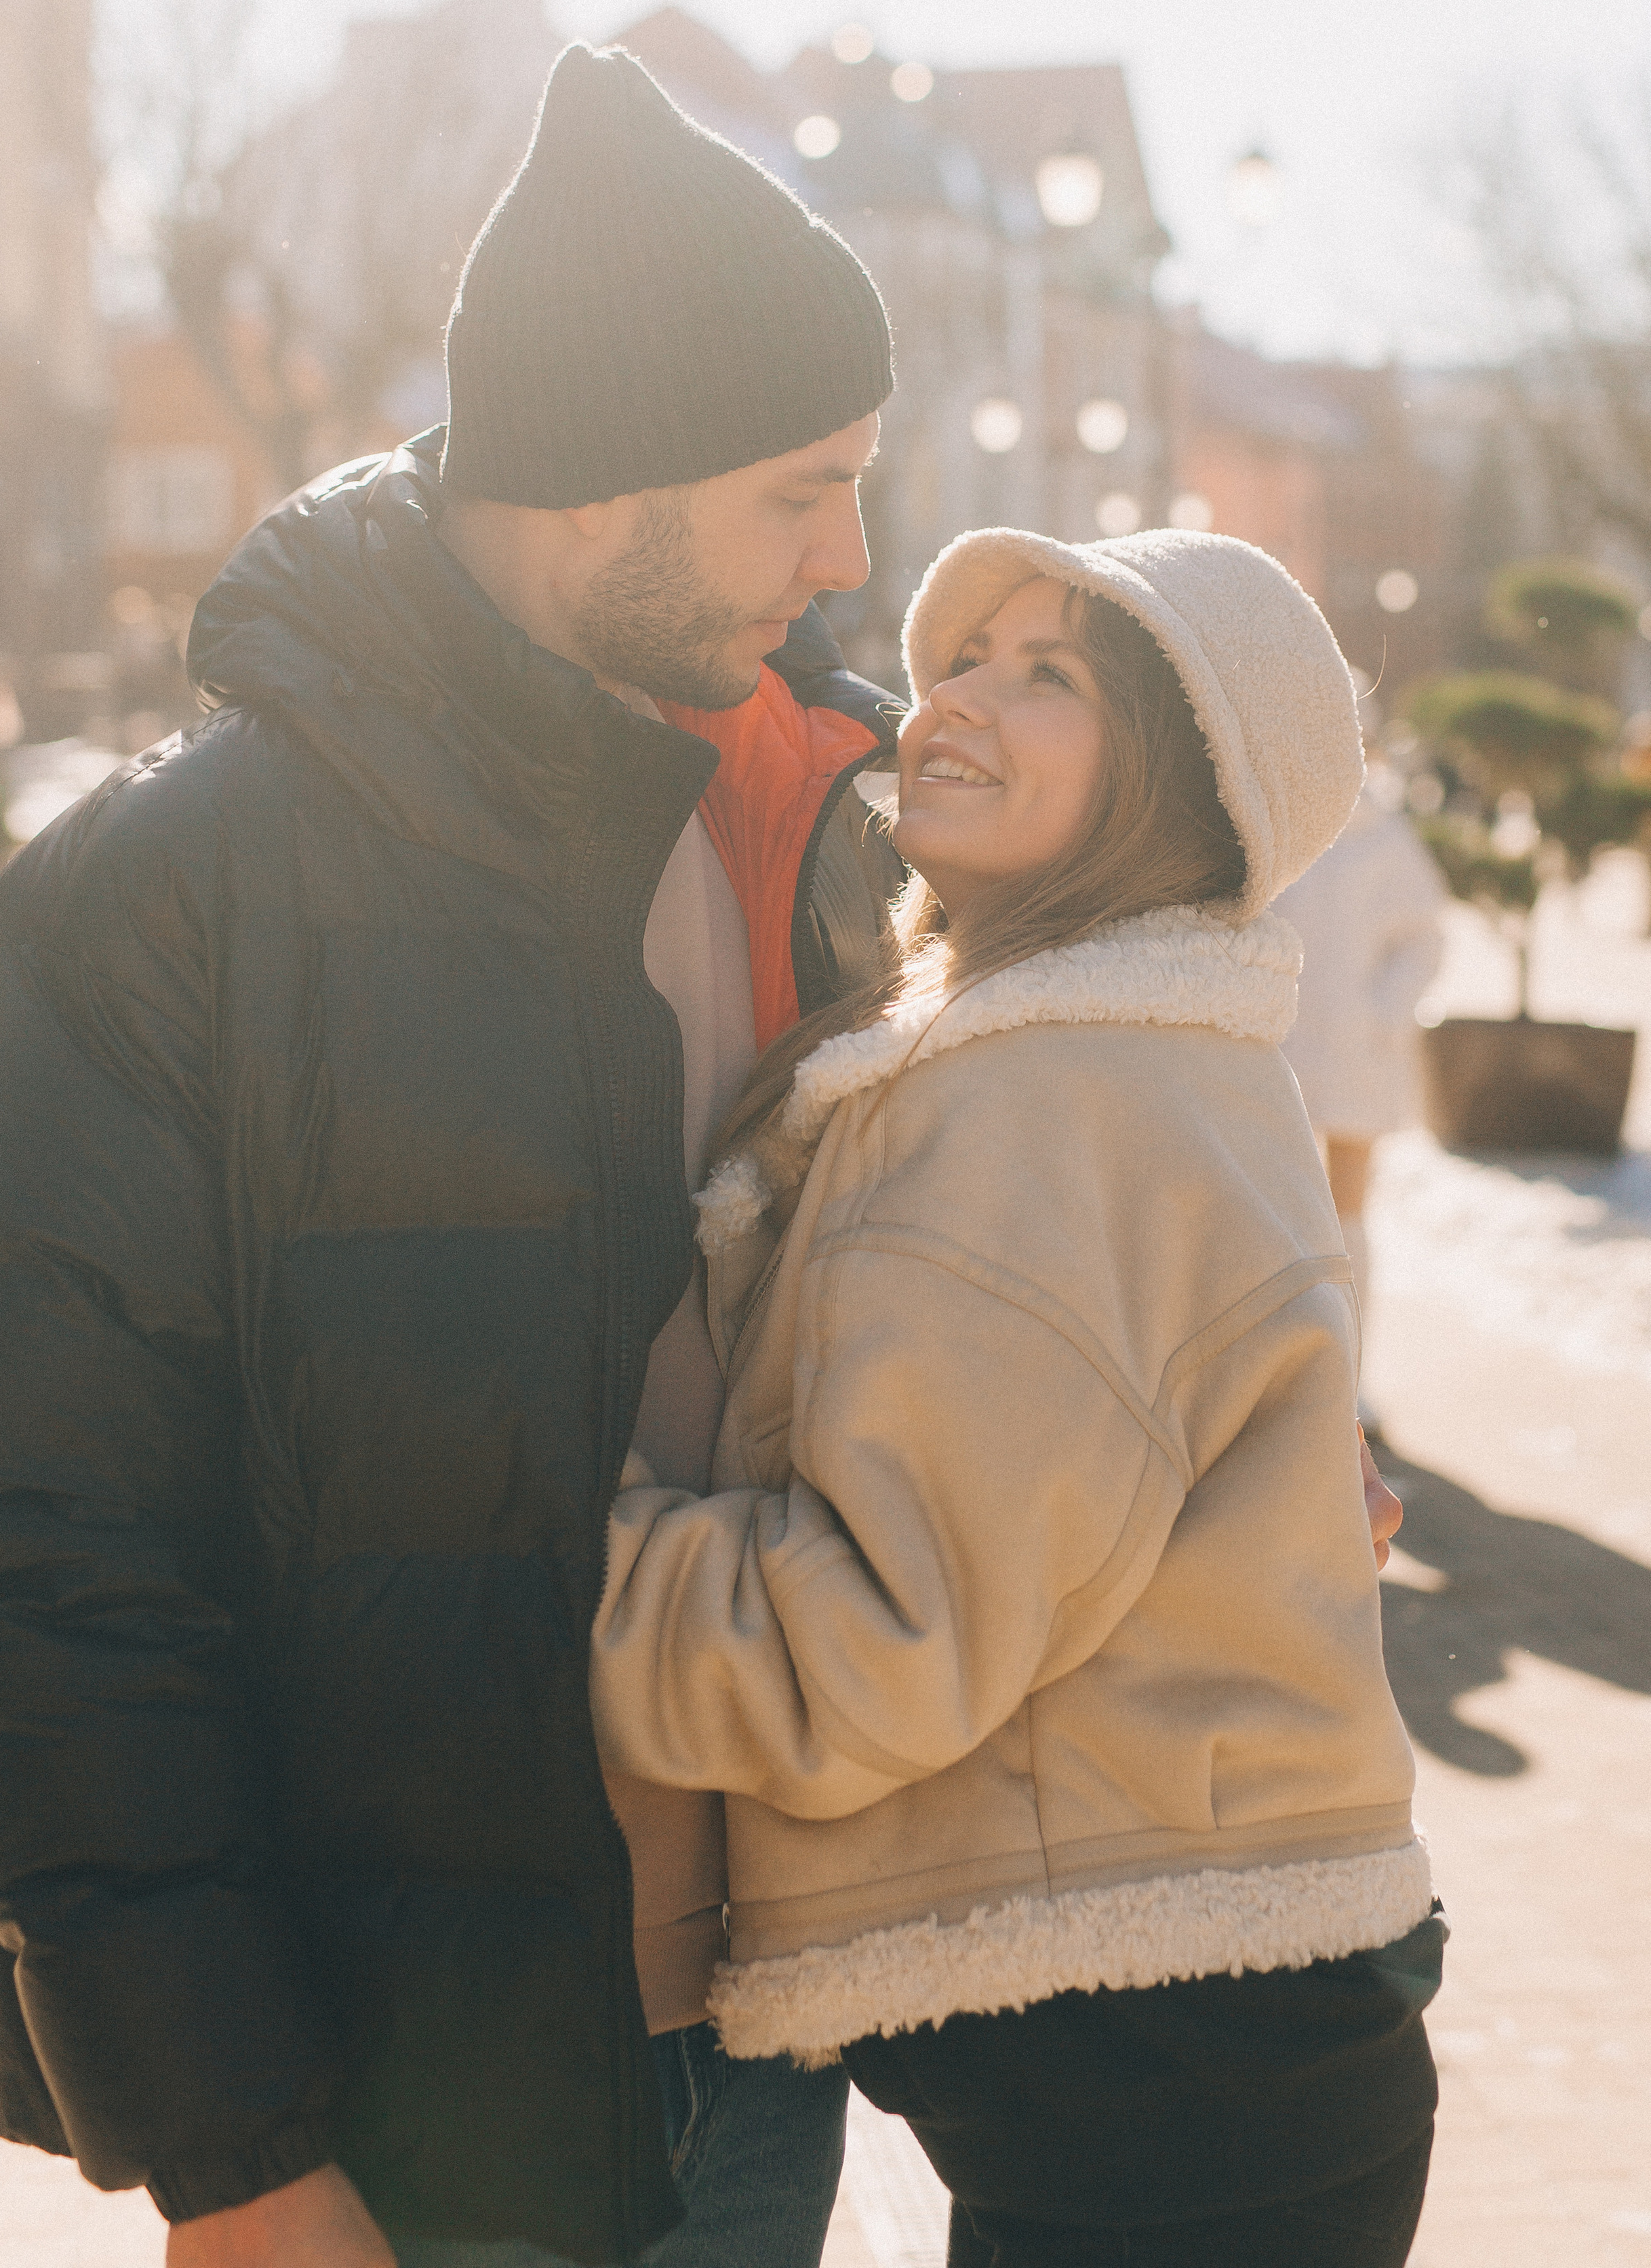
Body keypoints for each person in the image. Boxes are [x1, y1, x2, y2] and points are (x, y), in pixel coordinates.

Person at [0, 46, 900, 2267]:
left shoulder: (837, 818)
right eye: (795, 491)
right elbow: (36, 1573)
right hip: (398, 2120)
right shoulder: (154, 908)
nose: (851, 558)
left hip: (779, 2039)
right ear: (590, 483)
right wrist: (230, 2157)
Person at [593, 526, 1442, 2267]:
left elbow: (873, 1640)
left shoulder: (1046, 1094)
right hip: (1203, 2068)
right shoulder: (1126, 1047)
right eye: (966, 654)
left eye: (1051, 673)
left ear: (1183, 785)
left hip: (1172, 2104)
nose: (960, 696)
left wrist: (536, 1552)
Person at [1276, 678, 1447, 1441]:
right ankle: (1284, 1374)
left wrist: (1382, 1012)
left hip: (1355, 1058)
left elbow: (1424, 936)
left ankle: (1349, 1377)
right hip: (1273, 1051)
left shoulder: (1384, 836)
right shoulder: (1278, 829)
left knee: (1348, 1217)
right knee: (1272, 1214)